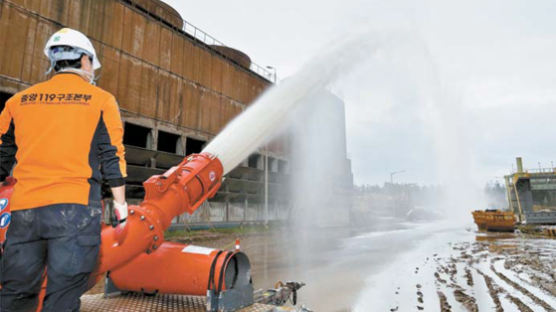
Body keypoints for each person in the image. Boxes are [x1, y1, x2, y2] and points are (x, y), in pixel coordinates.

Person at [0, 28, 128, 312]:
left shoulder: (18, 102)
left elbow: (2, 157)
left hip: (25, 212)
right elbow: (112, 155)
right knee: (63, 296)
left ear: (54, 62)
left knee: (15, 292)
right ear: (84, 60)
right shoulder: (100, 100)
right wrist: (120, 204)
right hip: (75, 211)